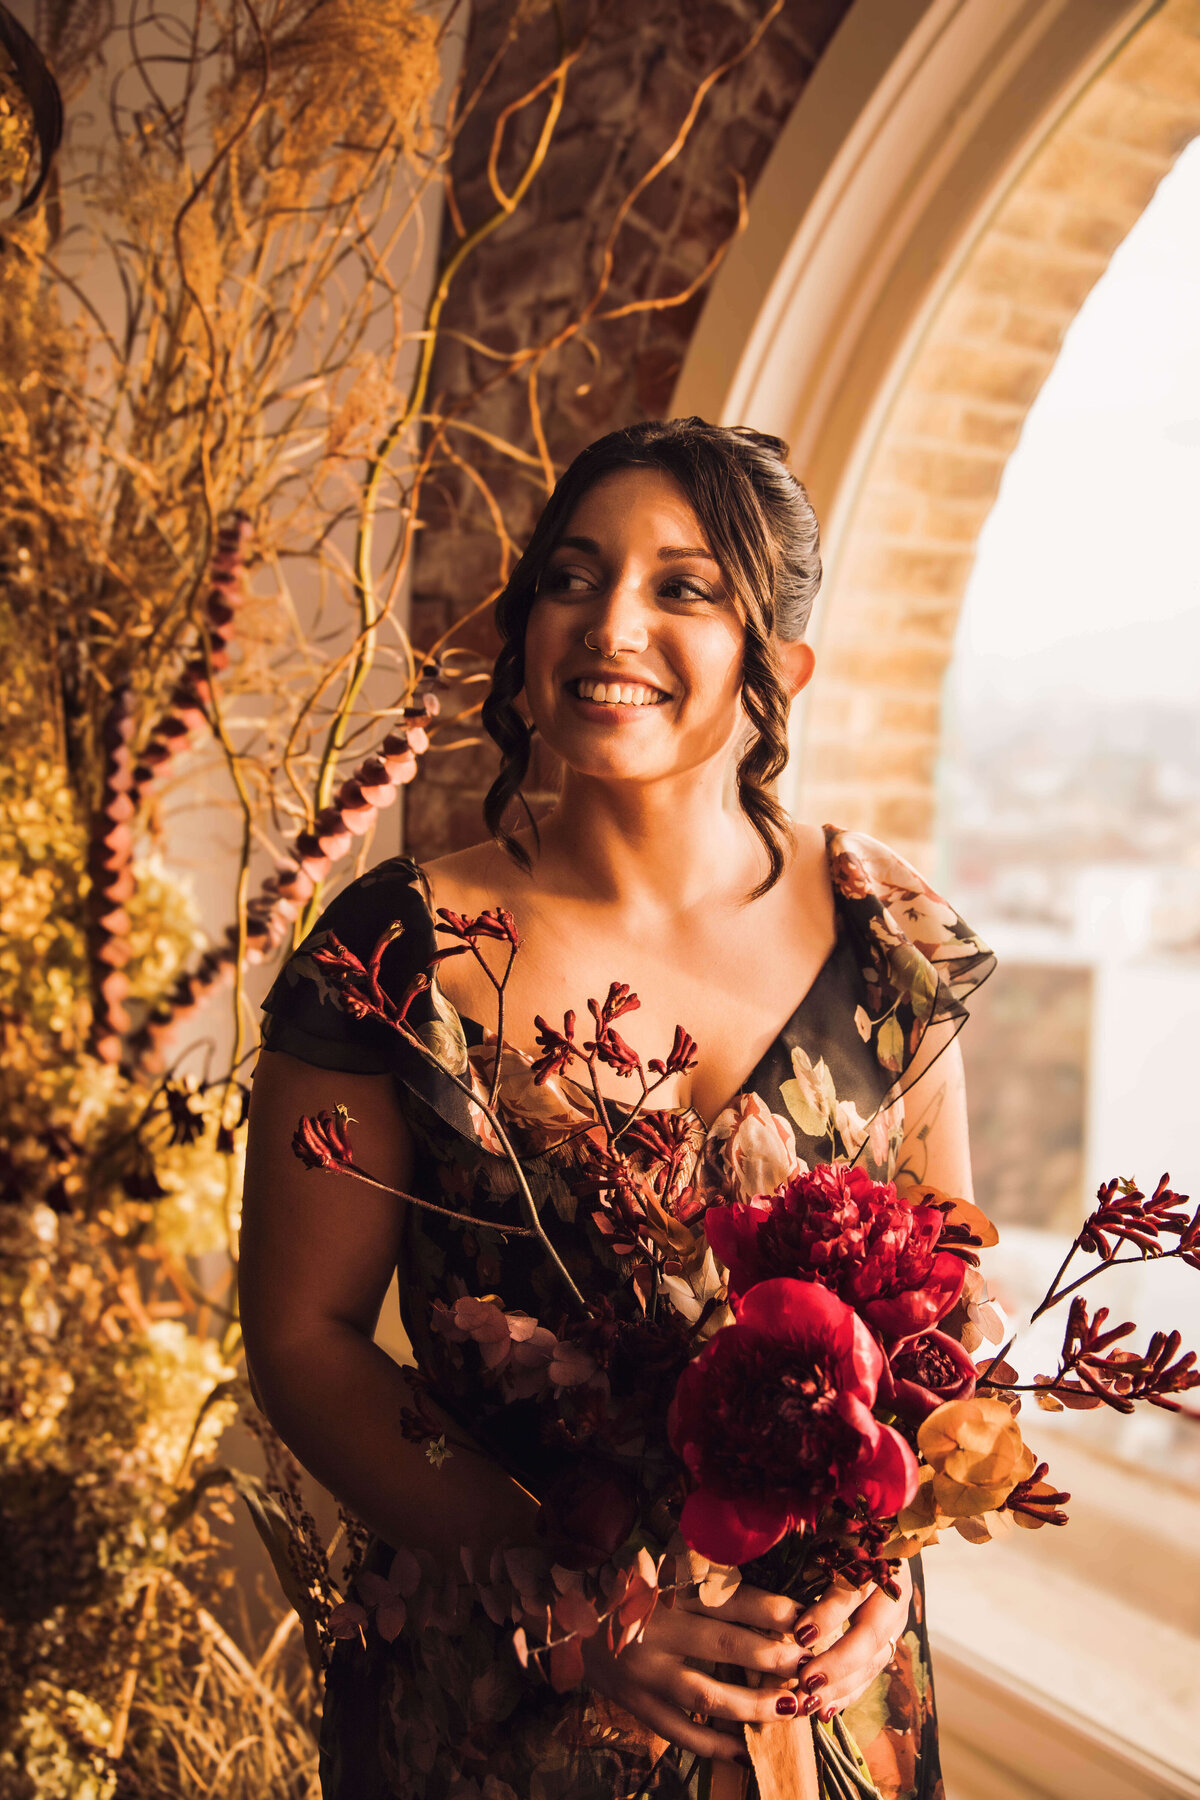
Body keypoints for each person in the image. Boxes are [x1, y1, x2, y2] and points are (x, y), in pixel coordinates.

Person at [240, 418, 993, 1799]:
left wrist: (890, 1564)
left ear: (783, 669)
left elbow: (949, 1317)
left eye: (683, 586)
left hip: (825, 1705)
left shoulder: (891, 935)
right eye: (571, 579)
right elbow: (302, 1337)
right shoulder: (392, 951)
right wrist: (564, 1590)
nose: (609, 623)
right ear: (525, 634)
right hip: (502, 1701)